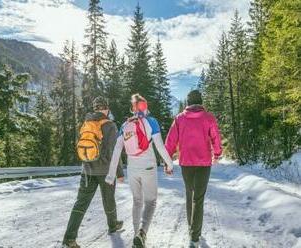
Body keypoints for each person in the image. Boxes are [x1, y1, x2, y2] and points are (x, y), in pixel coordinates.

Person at [105, 94, 174, 248]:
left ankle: (137, 236)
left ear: (133, 108)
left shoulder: (125, 125)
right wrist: (169, 164)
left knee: (137, 201)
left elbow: (116, 150)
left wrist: (111, 175)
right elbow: (160, 147)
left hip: (132, 169)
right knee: (150, 202)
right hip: (148, 167)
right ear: (145, 106)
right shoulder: (151, 122)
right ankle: (142, 233)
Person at [62, 97, 124, 248]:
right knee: (108, 199)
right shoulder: (110, 125)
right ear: (106, 109)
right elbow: (114, 151)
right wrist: (119, 172)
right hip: (105, 171)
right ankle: (112, 225)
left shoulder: (86, 123)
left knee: (81, 204)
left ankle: (69, 239)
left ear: (95, 108)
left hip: (87, 170)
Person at [165, 90, 222, 248]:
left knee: (190, 194)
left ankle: (192, 230)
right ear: (201, 102)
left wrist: (167, 160)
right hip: (203, 163)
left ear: (188, 103)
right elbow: (216, 137)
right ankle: (195, 237)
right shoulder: (208, 118)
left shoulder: (179, 119)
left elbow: (170, 140)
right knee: (199, 198)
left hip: (186, 163)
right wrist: (217, 153)